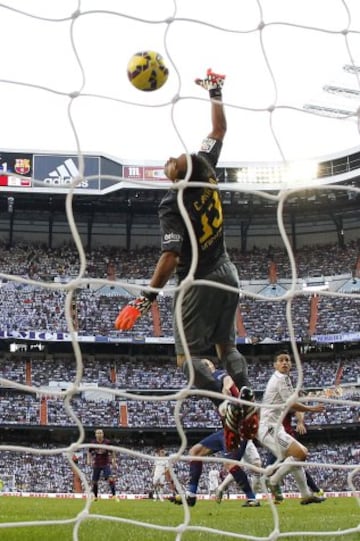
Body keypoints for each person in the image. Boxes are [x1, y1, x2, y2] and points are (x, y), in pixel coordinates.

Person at [114, 69, 257, 452]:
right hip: (228, 271)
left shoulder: (172, 202)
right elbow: (221, 129)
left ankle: (227, 399)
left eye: (174, 161)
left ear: (178, 176)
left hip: (198, 281)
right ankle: (244, 389)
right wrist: (215, 91)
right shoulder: (205, 168)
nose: (171, 159)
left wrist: (144, 299)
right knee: (226, 347)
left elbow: (170, 256)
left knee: (185, 359)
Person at [257, 351, 326, 505]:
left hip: (276, 428)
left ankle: (306, 495)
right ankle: (273, 481)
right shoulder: (281, 378)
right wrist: (311, 409)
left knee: (296, 458)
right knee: (301, 453)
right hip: (269, 428)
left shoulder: (281, 379)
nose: (285, 363)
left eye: (287, 360)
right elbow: (291, 404)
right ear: (275, 365)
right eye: (281, 360)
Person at [266, 407, 324, 497]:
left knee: (272, 467)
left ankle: (277, 493)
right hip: (276, 441)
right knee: (295, 466)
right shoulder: (269, 407)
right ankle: (314, 490)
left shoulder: (282, 403)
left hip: (286, 439)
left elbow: (298, 409)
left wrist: (300, 422)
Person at [87, 428, 117, 500]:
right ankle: (95, 496)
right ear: (95, 435)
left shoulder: (107, 442)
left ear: (103, 434)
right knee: (94, 481)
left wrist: (113, 461)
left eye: (100, 433)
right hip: (97, 464)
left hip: (105, 463)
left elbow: (112, 451)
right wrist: (88, 460)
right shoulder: (93, 443)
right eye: (98, 433)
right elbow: (89, 451)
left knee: (110, 479)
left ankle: (114, 495)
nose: (99, 434)